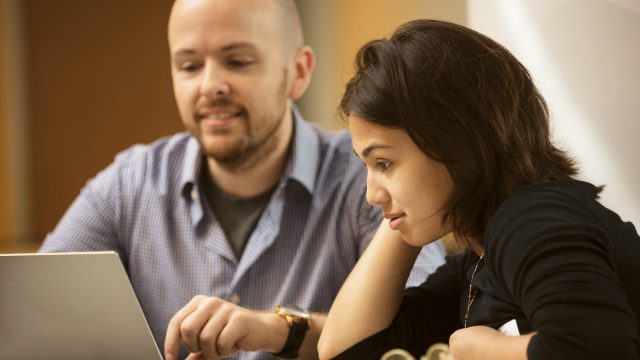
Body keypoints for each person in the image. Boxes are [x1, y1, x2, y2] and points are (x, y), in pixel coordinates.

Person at [39, 1, 446, 359]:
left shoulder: (371, 178)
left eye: (237, 61)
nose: (210, 85)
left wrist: (273, 330)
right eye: (189, 66)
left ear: (298, 72)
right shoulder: (128, 184)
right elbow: (32, 309)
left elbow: (420, 338)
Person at [317, 19, 640, 360]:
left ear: (454, 142)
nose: (371, 195)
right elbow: (346, 350)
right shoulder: (476, 265)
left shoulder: (533, 221)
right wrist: (402, 211)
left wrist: (484, 350)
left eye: (383, 163)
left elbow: (600, 348)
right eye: (366, 166)